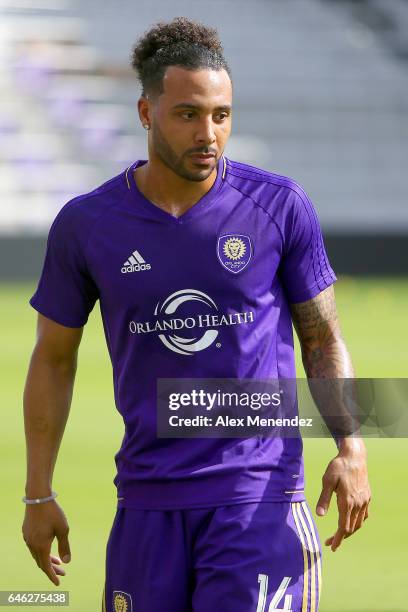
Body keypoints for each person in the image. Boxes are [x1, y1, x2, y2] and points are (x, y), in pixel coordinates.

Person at [22, 16, 371, 612]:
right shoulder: (87, 225)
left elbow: (321, 341)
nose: (208, 133)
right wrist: (37, 494)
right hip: (146, 502)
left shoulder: (278, 206)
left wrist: (351, 448)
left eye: (221, 115)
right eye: (188, 114)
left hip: (258, 499)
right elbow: (54, 360)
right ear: (145, 112)